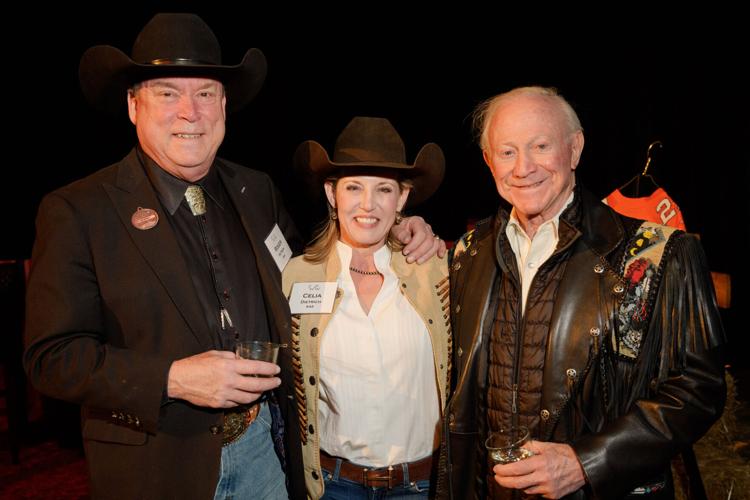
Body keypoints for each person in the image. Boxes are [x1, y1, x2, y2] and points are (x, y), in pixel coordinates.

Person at [23, 14, 443, 500]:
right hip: (159, 467)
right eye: (167, 93)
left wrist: (398, 233)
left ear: (223, 105)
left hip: (266, 454)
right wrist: (172, 379)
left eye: (205, 93)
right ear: (134, 105)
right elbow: (51, 358)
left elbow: (312, 271)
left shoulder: (255, 191)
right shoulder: (79, 210)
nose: (190, 112)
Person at [436, 86, 726, 499]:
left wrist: (586, 463)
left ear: (574, 149)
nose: (523, 167)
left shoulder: (661, 254)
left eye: (540, 146)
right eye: (507, 152)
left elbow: (699, 390)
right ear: (488, 161)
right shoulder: (469, 252)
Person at [282, 116, 451, 498]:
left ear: (402, 198)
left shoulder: (437, 271)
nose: (368, 204)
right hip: (333, 486)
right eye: (354, 187)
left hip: (420, 487)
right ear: (332, 193)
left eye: (384, 189)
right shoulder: (296, 275)